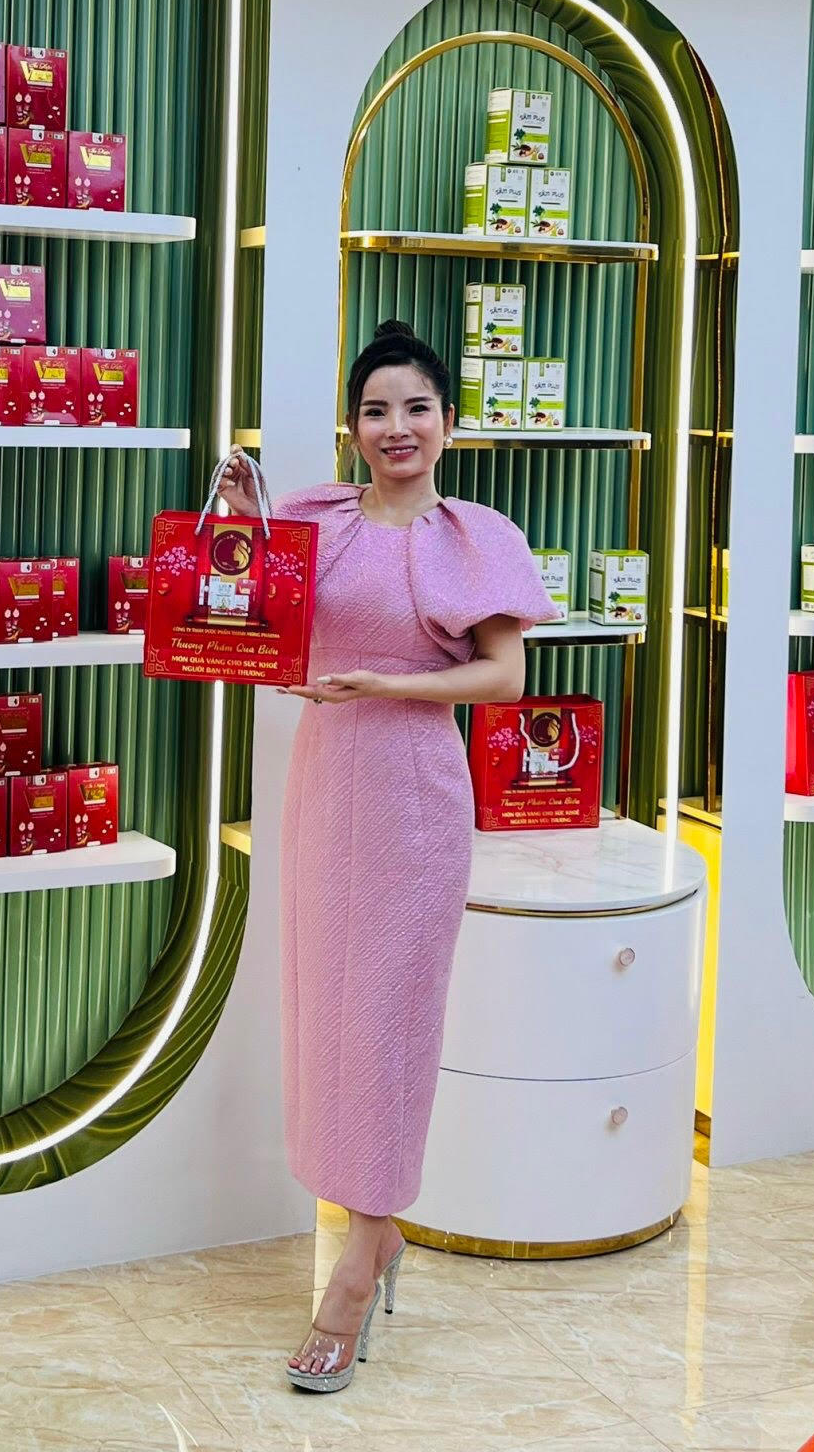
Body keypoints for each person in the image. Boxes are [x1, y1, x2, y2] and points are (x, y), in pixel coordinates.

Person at [220, 318, 559, 1393]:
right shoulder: (314, 516)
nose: (395, 426)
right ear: (352, 426)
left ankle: (357, 1262)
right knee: (326, 1016)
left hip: (414, 794)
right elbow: (244, 605)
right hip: (326, 788)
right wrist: (232, 513)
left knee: (385, 1026)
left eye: (415, 407)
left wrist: (388, 686)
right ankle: (374, 1228)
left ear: (448, 421)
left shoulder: (477, 535)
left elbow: (503, 677)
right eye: (375, 409)